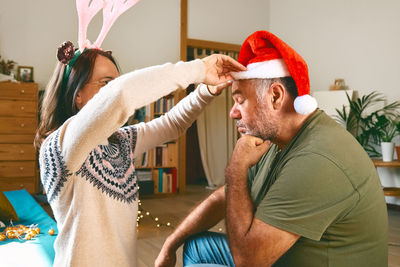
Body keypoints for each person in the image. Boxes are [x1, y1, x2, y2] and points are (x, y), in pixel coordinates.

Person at [155, 31, 388, 267]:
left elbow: (248, 261)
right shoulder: (276, 140)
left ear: (275, 96)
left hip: (264, 259)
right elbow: (224, 197)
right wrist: (170, 244)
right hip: (280, 257)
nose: (233, 113)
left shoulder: (318, 159)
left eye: (240, 100)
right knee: (196, 247)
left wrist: (236, 169)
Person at [34, 42, 245, 266]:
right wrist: (199, 69)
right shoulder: (58, 147)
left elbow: (172, 124)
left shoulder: (120, 142)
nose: (112, 89)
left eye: (116, 81)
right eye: (106, 84)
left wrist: (207, 89)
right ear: (77, 94)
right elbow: (121, 95)